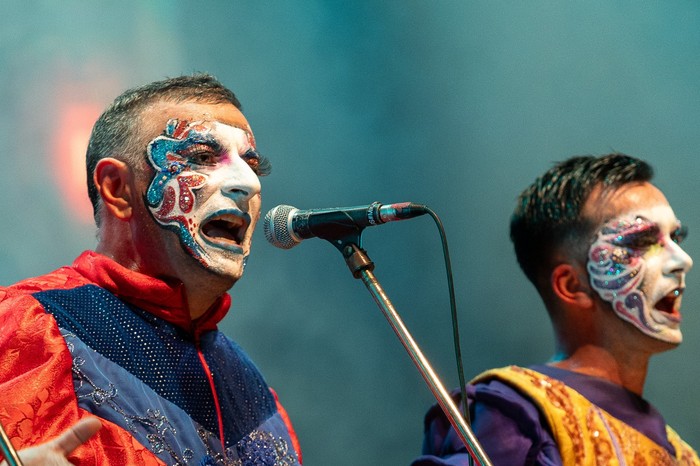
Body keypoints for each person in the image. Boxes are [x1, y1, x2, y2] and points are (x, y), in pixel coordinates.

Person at [0, 74, 302, 465]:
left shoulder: (258, 394)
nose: (247, 184)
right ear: (116, 187)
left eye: (251, 165)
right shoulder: (28, 322)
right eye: (202, 157)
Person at [412, 153, 700, 465]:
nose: (683, 260)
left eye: (675, 237)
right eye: (644, 241)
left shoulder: (683, 455)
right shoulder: (517, 415)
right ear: (572, 285)